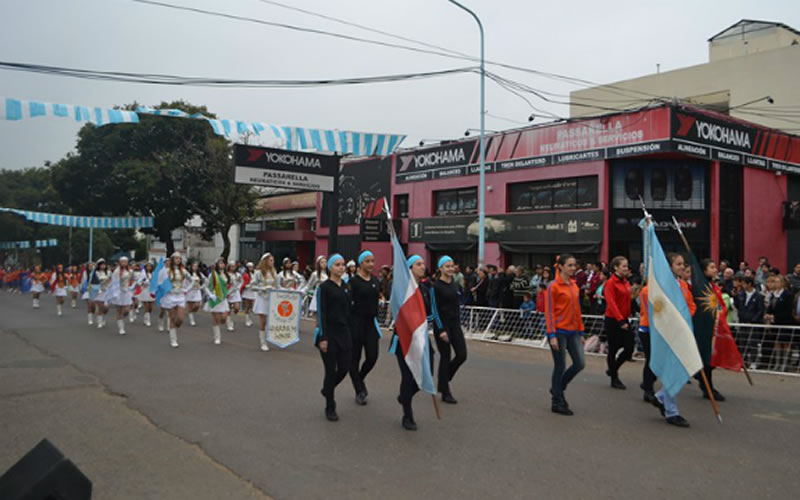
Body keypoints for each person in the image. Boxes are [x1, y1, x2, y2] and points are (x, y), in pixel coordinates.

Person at [649, 253, 696, 428]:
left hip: (683, 330)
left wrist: (686, 316)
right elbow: (659, 307)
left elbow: (690, 305)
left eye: (683, 264)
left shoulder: (683, 284)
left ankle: (661, 397)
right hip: (670, 332)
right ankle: (671, 411)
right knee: (674, 369)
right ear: (669, 266)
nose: (682, 267)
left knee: (682, 368)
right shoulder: (663, 286)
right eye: (678, 264)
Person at [392, 254, 436, 430]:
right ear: (409, 268)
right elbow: (397, 312)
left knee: (427, 372)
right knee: (408, 375)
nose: (422, 266)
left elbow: (430, 312)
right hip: (405, 339)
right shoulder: (401, 289)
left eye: (423, 263)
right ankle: (407, 415)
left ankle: (405, 396)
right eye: (418, 264)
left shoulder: (425, 288)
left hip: (422, 337)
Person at [544, 254, 585, 415]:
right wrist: (551, 334)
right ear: (560, 266)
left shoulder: (574, 286)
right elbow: (549, 312)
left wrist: (581, 331)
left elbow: (578, 311)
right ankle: (557, 401)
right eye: (569, 265)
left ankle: (558, 388)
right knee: (560, 366)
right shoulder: (553, 286)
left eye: (574, 265)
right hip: (558, 332)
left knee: (580, 363)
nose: (573, 268)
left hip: (573, 331)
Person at [314, 254, 353, 421]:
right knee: (330, 371)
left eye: (343, 264)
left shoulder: (346, 286)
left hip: (344, 332)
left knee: (344, 368)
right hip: (329, 333)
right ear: (330, 267)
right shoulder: (324, 287)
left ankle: (327, 389)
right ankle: (330, 406)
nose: (341, 267)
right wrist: (323, 337)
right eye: (337, 264)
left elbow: (349, 311)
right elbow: (321, 313)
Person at [349, 250, 382, 405]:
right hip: (356, 323)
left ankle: (359, 379)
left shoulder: (375, 280)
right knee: (354, 359)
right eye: (367, 261)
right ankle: (359, 390)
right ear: (361, 263)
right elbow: (347, 304)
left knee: (372, 357)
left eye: (372, 261)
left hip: (370, 324)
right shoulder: (353, 282)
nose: (371, 264)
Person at [432, 256, 466, 404]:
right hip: (442, 325)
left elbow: (457, 306)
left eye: (452, 266)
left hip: (455, 324)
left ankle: (443, 378)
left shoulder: (455, 284)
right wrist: (440, 330)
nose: (450, 269)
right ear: (440, 269)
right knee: (445, 357)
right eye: (447, 266)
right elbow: (434, 310)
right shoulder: (436, 287)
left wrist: (459, 324)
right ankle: (445, 391)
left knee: (462, 355)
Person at [604, 256, 632, 389]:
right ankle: (614, 378)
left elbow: (628, 300)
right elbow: (611, 303)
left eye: (627, 266)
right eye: (624, 266)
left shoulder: (626, 282)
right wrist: (620, 321)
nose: (626, 268)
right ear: (616, 267)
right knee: (613, 348)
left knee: (629, 348)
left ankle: (612, 369)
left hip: (625, 318)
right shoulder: (611, 283)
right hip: (613, 320)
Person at [159, 253, 191, 348]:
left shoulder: (183, 271)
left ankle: (174, 328)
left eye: (179, 258)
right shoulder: (166, 271)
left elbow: (192, 280)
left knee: (180, 319)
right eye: (176, 258)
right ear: (173, 260)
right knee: (172, 318)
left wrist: (186, 289)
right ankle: (173, 339)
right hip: (170, 296)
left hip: (180, 296)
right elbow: (160, 283)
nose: (178, 260)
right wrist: (167, 289)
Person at [764, 274, 795, 371]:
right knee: (777, 342)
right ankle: (778, 363)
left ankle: (785, 364)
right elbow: (770, 307)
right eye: (774, 282)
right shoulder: (773, 294)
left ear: (782, 283)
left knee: (785, 343)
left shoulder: (788, 295)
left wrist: (775, 316)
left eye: (777, 282)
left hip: (785, 322)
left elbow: (788, 311)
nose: (775, 284)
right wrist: (768, 314)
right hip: (775, 323)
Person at [251, 253, 278, 351]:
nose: (272, 262)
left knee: (270, 320)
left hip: (272, 298)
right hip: (262, 298)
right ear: (265, 261)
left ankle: (269, 337)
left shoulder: (274, 272)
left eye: (273, 260)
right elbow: (252, 286)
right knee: (263, 321)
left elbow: (278, 286)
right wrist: (263, 288)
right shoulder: (258, 272)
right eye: (271, 260)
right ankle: (263, 342)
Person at [205, 258, 231, 345]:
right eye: (220, 263)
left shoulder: (227, 275)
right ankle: (217, 337)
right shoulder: (212, 275)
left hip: (223, 299)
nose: (222, 265)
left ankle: (220, 328)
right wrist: (210, 295)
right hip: (215, 298)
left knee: (224, 317)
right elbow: (206, 286)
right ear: (216, 264)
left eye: (223, 263)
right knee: (216, 318)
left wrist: (229, 292)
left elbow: (231, 285)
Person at [109, 256, 135, 335]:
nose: (124, 263)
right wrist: (114, 292)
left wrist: (132, 286)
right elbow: (114, 282)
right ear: (120, 262)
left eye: (125, 262)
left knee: (127, 310)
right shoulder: (117, 271)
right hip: (118, 291)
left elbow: (132, 279)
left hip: (126, 291)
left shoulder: (130, 271)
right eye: (122, 261)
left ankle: (122, 319)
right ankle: (121, 327)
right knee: (119, 310)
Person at [90, 259, 112, 328]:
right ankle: (100, 322)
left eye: (104, 264)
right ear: (99, 265)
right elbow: (98, 281)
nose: (103, 266)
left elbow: (111, 281)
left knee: (106, 308)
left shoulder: (108, 272)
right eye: (101, 264)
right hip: (99, 291)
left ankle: (102, 317)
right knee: (100, 306)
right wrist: (106, 280)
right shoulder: (96, 272)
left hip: (107, 291)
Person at [185, 261, 205, 327]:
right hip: (190, 291)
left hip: (197, 291)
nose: (195, 267)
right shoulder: (188, 274)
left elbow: (206, 280)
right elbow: (185, 282)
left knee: (197, 305)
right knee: (190, 306)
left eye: (196, 266)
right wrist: (186, 289)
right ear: (191, 266)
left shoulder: (200, 274)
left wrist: (202, 287)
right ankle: (192, 320)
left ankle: (190, 312)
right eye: (194, 266)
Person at [226, 261, 243, 331]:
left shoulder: (238, 274)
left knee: (237, 308)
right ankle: (229, 323)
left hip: (236, 292)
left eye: (234, 266)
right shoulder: (227, 274)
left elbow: (241, 281)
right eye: (231, 266)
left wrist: (239, 287)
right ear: (229, 267)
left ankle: (231, 317)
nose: (233, 267)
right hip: (229, 292)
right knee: (228, 309)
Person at [138, 262, 155, 326]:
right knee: (147, 306)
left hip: (151, 291)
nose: (149, 268)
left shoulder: (153, 274)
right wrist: (144, 282)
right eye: (147, 266)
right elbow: (139, 282)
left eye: (150, 266)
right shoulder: (143, 274)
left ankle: (145, 318)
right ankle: (147, 320)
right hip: (145, 290)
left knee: (150, 308)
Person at [241, 262, 257, 327]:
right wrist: (246, 285)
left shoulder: (254, 274)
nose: (251, 268)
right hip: (247, 292)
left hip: (253, 291)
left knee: (252, 306)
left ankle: (249, 318)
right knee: (247, 306)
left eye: (252, 267)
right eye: (249, 267)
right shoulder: (245, 275)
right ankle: (247, 319)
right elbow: (243, 283)